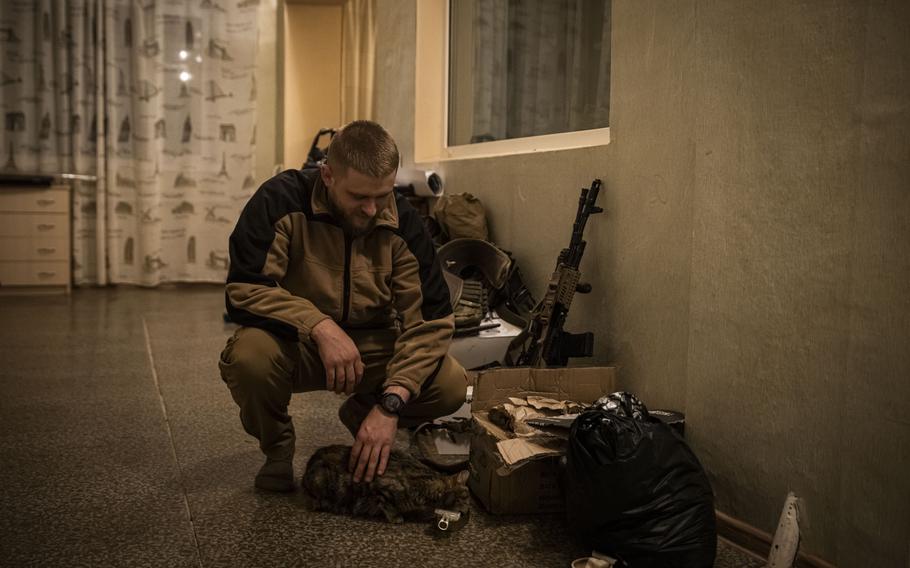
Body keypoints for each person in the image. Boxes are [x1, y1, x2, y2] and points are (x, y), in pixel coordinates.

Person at [219, 120, 467, 492]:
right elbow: (246, 288)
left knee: (449, 382)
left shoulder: (403, 222)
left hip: (371, 350)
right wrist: (320, 326)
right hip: (298, 343)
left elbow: (431, 322)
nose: (372, 209)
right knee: (248, 357)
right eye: (358, 197)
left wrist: (390, 404)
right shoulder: (280, 201)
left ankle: (364, 409)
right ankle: (279, 450)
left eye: (382, 195)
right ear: (328, 175)